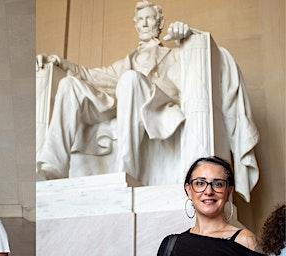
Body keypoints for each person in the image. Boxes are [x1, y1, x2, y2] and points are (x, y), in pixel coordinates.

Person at [35, 0, 259, 202]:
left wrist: (189, 33)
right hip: (121, 102)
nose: (144, 23)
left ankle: (125, 170)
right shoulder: (128, 61)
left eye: (149, 18)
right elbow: (93, 75)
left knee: (131, 80)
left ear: (159, 23)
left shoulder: (176, 54)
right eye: (140, 20)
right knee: (69, 84)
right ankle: (54, 164)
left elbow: (213, 58)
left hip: (160, 106)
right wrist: (62, 64)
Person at [157, 156, 263, 256]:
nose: (208, 191)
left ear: (228, 192)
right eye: (200, 183)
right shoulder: (170, 244)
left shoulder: (245, 240)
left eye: (218, 184)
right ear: (188, 190)